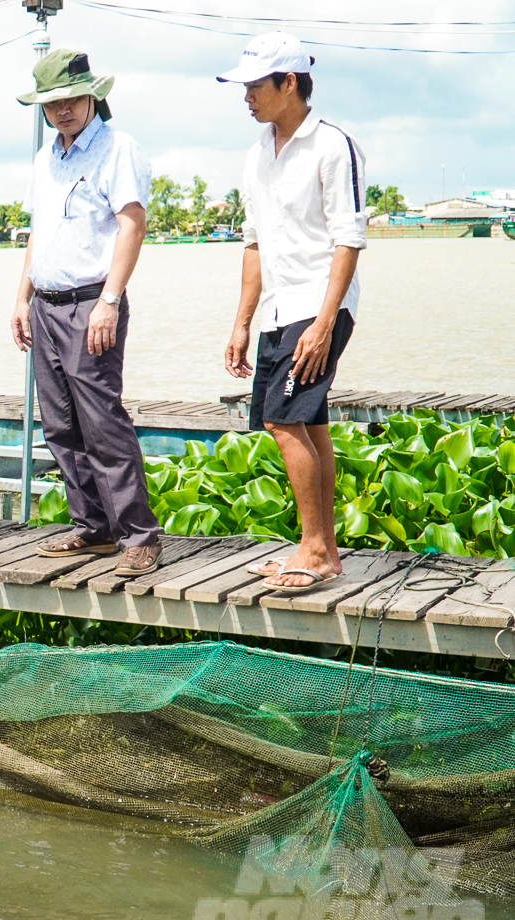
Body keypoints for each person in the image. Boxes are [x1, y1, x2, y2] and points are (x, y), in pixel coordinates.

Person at [219, 32, 367, 595]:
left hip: (320, 305)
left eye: (257, 85)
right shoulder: (257, 153)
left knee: (282, 422)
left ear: (290, 83)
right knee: (309, 424)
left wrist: (326, 323)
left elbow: (348, 239)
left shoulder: (333, 145)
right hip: (281, 309)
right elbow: (254, 244)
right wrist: (241, 322)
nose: (248, 96)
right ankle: (323, 548)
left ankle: (312, 551)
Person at [11, 49, 163, 577]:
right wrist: (20, 298)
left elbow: (131, 226)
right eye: (51, 104)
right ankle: (94, 526)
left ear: (92, 95)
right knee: (59, 425)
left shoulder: (118, 148)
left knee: (102, 422)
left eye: (71, 99)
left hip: (92, 302)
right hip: (46, 306)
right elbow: (39, 233)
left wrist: (110, 301)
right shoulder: (44, 157)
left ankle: (139, 535)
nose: (62, 110)